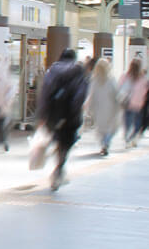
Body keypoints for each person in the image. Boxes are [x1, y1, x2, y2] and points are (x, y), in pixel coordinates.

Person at [37, 49, 88, 191]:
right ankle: (59, 169)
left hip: (53, 115)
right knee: (66, 143)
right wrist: (75, 112)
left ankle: (57, 158)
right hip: (70, 117)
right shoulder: (79, 71)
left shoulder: (52, 71)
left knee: (56, 138)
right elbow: (80, 95)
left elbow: (44, 93)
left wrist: (42, 114)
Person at [87, 58, 120, 156]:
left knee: (100, 129)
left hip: (98, 109)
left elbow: (91, 95)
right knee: (110, 128)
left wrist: (90, 108)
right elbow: (116, 94)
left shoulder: (94, 80)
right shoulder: (111, 79)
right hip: (110, 108)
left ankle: (103, 144)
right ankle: (106, 143)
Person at [118, 59, 149, 148]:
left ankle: (128, 139)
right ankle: (133, 138)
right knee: (137, 122)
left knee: (127, 122)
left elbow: (120, 87)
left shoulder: (125, 76)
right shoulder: (143, 78)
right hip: (139, 104)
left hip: (127, 102)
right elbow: (145, 91)